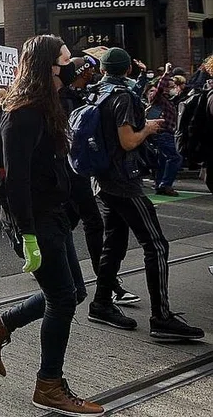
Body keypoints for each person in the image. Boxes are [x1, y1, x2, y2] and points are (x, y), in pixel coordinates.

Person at [0, 35, 103, 415]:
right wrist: (27, 233)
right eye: (66, 58)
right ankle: (48, 384)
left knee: (73, 292)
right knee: (63, 299)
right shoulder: (22, 112)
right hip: (35, 221)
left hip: (55, 215)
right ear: (49, 65)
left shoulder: (51, 104)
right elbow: (17, 179)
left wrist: (83, 210)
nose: (74, 64)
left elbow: (61, 164)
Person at [85, 48, 204, 341]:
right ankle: (161, 317)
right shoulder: (122, 97)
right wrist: (148, 129)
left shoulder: (97, 92)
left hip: (102, 181)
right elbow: (127, 141)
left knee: (114, 243)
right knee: (157, 245)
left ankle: (100, 303)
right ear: (125, 70)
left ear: (102, 70)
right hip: (124, 182)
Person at [59, 56, 140, 308]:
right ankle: (109, 285)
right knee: (93, 222)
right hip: (73, 170)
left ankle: (49, 255)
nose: (93, 75)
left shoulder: (85, 94)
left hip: (81, 168)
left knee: (67, 220)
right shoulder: (64, 99)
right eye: (89, 71)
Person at [146, 63, 182, 197]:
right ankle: (165, 184)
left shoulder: (168, 100)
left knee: (162, 159)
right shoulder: (157, 96)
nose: (174, 88)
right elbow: (160, 87)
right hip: (161, 133)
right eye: (171, 86)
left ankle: (159, 184)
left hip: (166, 133)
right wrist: (166, 72)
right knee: (175, 157)